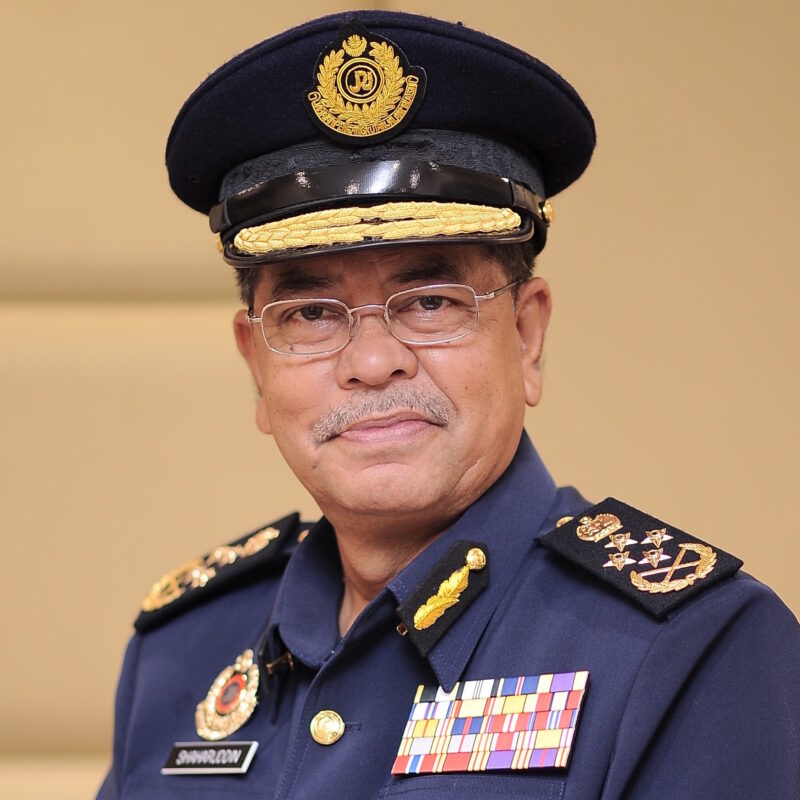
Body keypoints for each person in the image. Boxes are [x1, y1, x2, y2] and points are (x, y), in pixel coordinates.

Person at [98, 10, 800, 799]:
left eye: (431, 302)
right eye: (311, 313)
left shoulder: (691, 653)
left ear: (527, 336)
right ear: (255, 367)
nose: (372, 362)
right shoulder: (180, 655)